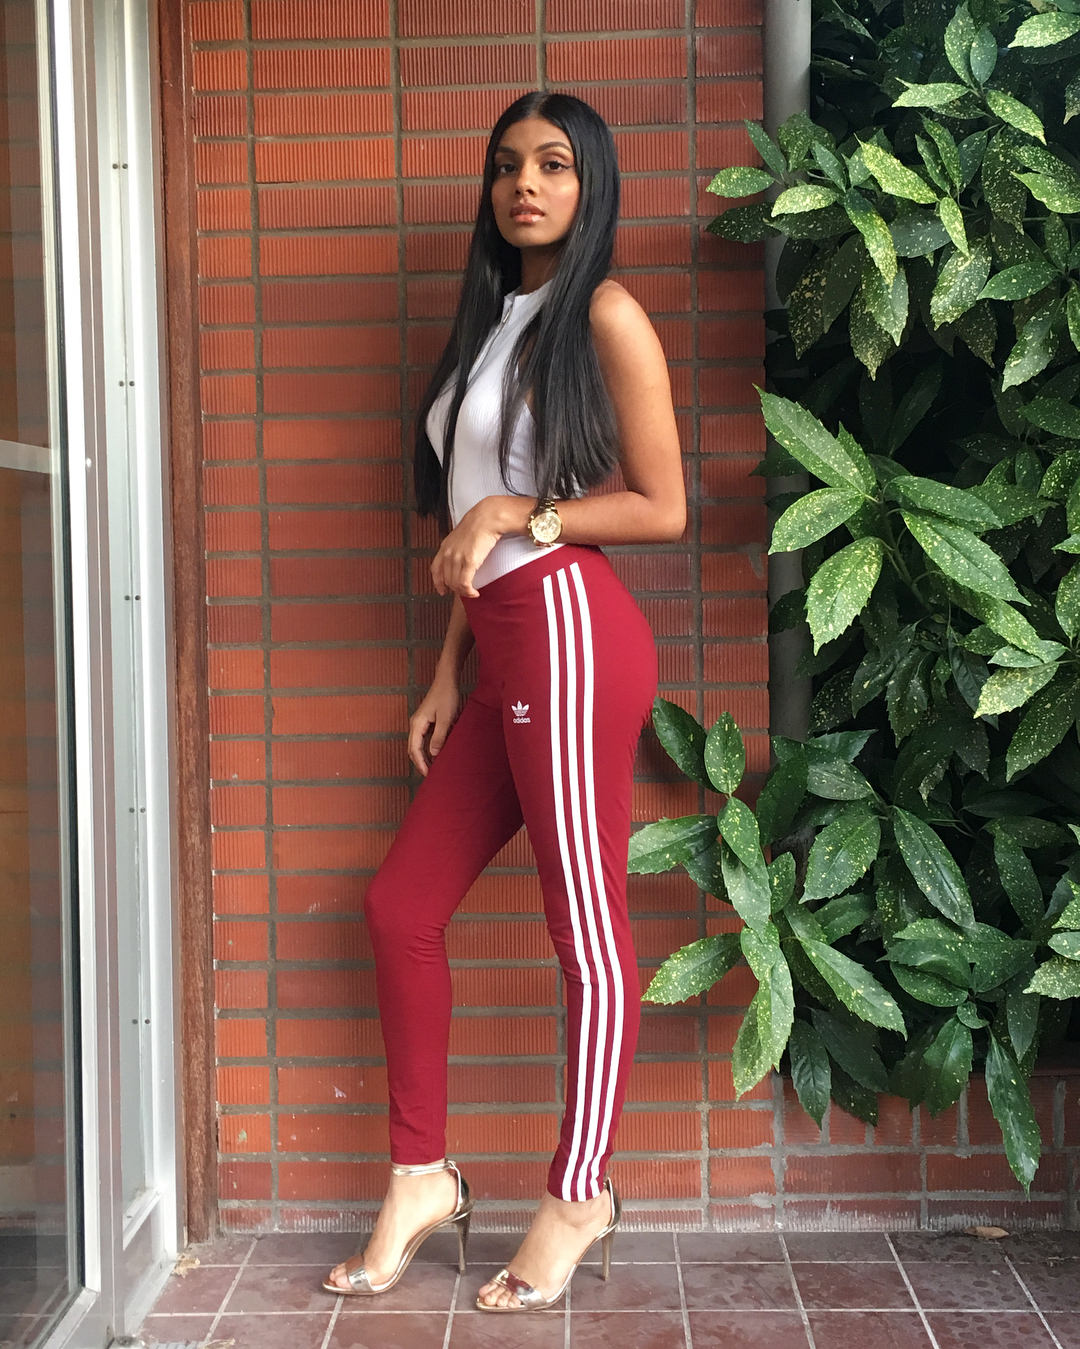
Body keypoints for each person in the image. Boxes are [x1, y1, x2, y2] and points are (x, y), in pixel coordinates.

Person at [322, 90, 685, 1313]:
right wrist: (449, 667)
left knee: (586, 930)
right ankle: (420, 1175)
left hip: (573, 637)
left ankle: (580, 1191)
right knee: (400, 904)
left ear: (592, 184)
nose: (525, 184)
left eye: (555, 164)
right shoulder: (490, 324)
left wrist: (516, 512)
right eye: (507, 166)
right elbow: (469, 524)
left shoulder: (605, 313)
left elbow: (662, 506)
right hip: (502, 649)